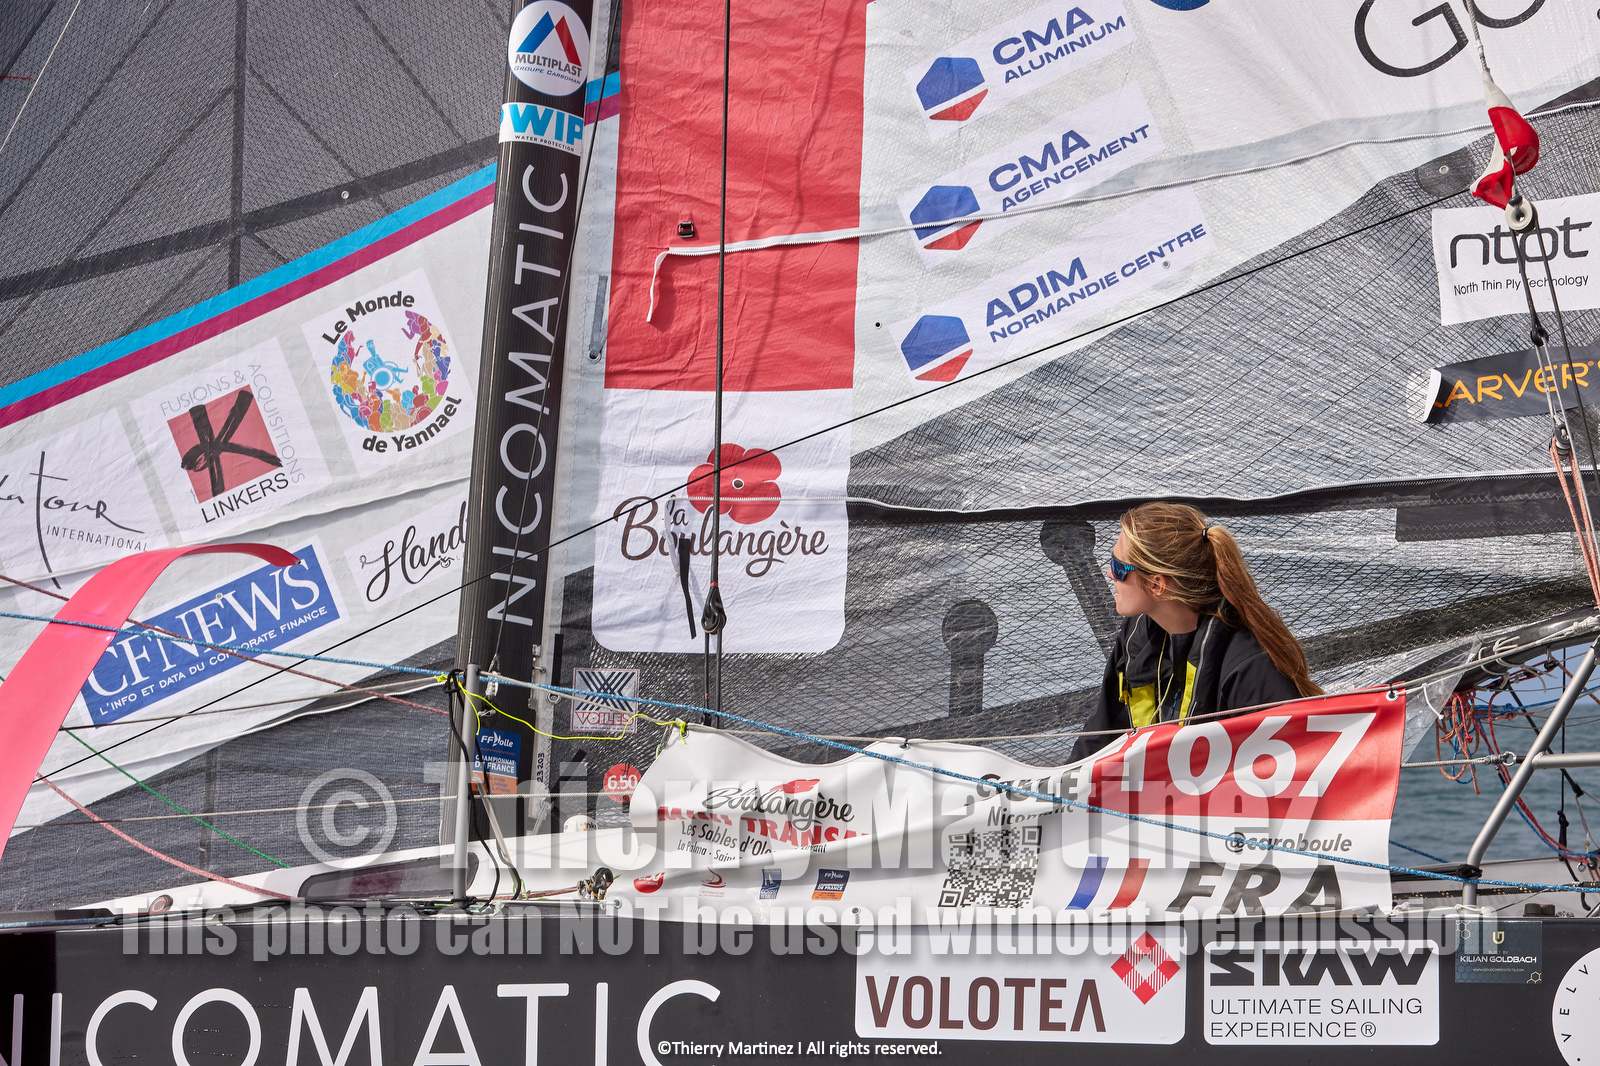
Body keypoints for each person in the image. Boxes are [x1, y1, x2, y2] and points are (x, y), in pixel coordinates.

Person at [1068, 502, 1320, 762]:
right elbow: (1102, 734)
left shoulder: (1249, 666)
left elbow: (1293, 762)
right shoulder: (1135, 638)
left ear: (1156, 585)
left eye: (1119, 567)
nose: (1110, 573)